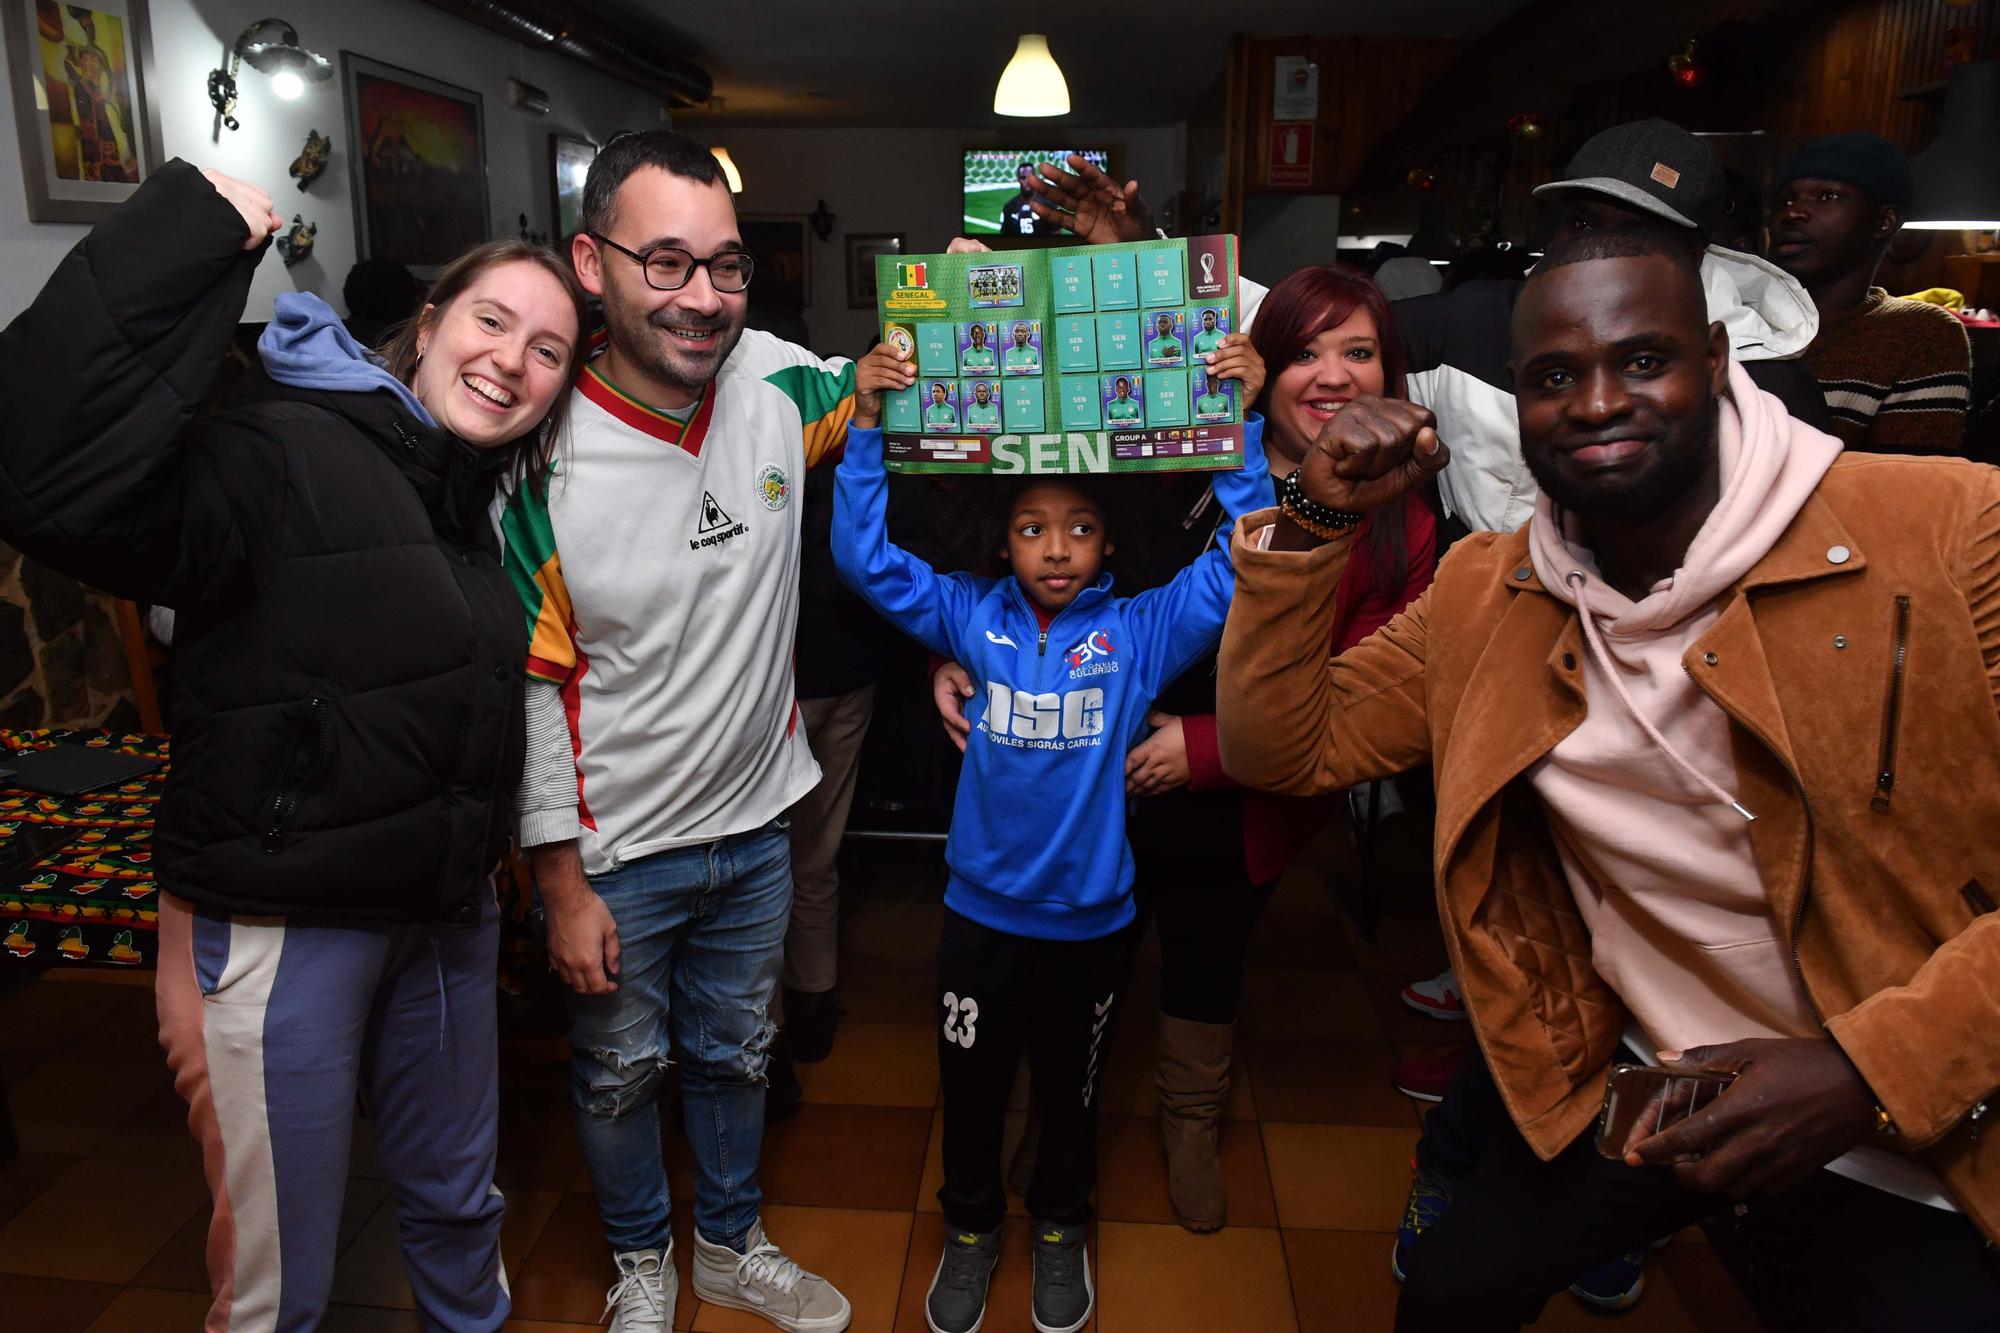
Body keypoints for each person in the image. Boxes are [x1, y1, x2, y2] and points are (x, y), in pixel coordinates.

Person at [1215, 227, 2000, 1332]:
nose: (1593, 403)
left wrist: (1860, 1071)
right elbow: (1281, 748)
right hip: (1647, 1074)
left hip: (1921, 1111)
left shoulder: (1946, 525)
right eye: (1551, 377)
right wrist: (1313, 521)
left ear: (1717, 360)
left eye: (1640, 360)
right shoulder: (1491, 588)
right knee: (1448, 1290)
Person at [0, 161, 588, 1331]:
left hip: (437, 917)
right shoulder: (281, 446)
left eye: (549, 350)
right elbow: (42, 469)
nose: (511, 361)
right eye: (489, 319)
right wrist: (193, 231)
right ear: (424, 327)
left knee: (460, 1206)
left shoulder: (460, 494)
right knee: (280, 1281)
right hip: (285, 926)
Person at [932, 266, 1438, 1233]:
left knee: (1207, 966)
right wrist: (950, 658)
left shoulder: (1402, 522)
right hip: (1098, 788)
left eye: (1359, 351)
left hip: (1243, 794)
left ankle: (1190, 1124)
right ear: (1262, 368)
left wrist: (1201, 749)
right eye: (1304, 352)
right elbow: (1039, 561)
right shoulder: (1171, 458)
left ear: (1390, 371)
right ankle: (1060, 1120)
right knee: (1079, 969)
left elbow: (1374, 696)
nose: (1330, 376)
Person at [833, 331, 1271, 1333]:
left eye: (1078, 528)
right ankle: (973, 1230)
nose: (1057, 547)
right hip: (976, 919)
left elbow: (1247, 558)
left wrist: (1241, 429)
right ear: (1003, 542)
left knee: (1072, 1102)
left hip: (1088, 922)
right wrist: (865, 422)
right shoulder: (965, 616)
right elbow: (861, 557)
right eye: (1033, 529)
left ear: (1107, 540)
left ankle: (1062, 1229)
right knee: (973, 1090)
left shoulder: (1141, 632)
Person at [503, 130, 855, 1333]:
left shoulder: (781, 383)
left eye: (726, 265)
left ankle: (727, 1244)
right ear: (590, 264)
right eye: (666, 262)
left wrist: (973, 296)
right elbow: (532, 688)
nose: (704, 297)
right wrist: (557, 881)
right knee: (613, 1073)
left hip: (758, 826)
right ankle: (641, 1260)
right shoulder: (537, 459)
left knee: (738, 1054)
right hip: (615, 853)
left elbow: (908, 385)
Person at [1769, 133, 1975, 455]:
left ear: (1884, 221)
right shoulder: (1737, 314)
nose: (1793, 212)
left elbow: (1901, 487)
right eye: (1785, 200)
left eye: (1826, 196)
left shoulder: (1918, 335)